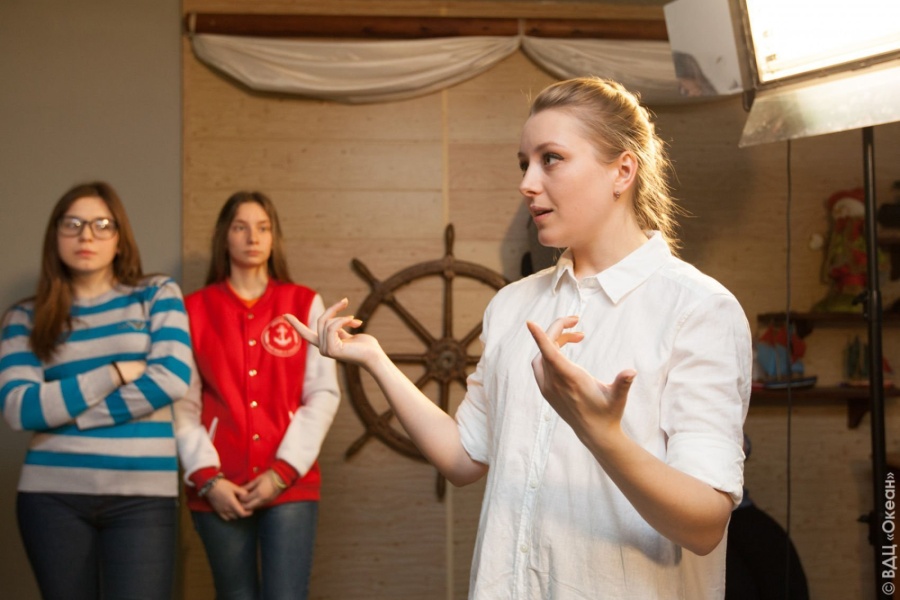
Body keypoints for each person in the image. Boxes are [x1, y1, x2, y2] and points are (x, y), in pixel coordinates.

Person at [287, 77, 752, 599]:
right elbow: (463, 457)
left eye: (551, 159)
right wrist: (375, 359)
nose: (527, 183)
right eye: (523, 163)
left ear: (622, 171)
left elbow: (705, 526)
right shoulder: (512, 306)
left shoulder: (699, 310)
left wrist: (600, 432)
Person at [0, 181, 194, 600]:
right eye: (72, 224)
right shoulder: (24, 317)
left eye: (102, 225)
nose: (86, 236)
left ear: (120, 238)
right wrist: (114, 372)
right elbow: (19, 408)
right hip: (51, 498)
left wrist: (70, 415)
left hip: (143, 496)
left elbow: (171, 378)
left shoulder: (156, 295)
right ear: (55, 235)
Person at [174, 191, 340, 600]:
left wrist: (282, 471)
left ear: (273, 237)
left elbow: (322, 393)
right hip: (217, 486)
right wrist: (207, 478)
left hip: (290, 484)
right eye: (241, 227)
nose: (253, 237)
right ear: (224, 236)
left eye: (263, 228)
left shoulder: (303, 303)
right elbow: (183, 406)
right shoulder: (193, 309)